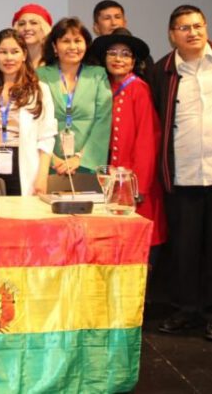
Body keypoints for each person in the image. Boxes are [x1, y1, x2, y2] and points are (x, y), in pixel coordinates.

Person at [149, 5, 212, 342]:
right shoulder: (161, 70)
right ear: (171, 34)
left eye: (197, 26)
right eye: (183, 28)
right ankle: (185, 310)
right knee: (184, 248)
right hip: (182, 174)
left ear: (206, 27)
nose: (192, 32)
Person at [89, 28, 166, 256]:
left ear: (134, 61)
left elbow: (147, 140)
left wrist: (137, 186)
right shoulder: (103, 87)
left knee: (138, 245)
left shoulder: (139, 89)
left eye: (125, 54)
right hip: (108, 181)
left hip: (131, 184)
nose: (118, 59)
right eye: (112, 53)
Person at [0, 29, 56, 196]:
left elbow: (46, 137)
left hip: (26, 164)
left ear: (24, 55)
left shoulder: (40, 90)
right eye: (3, 52)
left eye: (15, 52)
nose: (9, 58)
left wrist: (42, 176)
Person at [35, 18, 112, 178]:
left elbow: (103, 121)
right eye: (65, 41)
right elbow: (33, 122)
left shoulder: (98, 75)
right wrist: (51, 159)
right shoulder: (40, 76)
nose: (72, 47)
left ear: (86, 45)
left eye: (78, 41)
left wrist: (80, 158)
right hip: (48, 164)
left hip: (88, 165)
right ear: (55, 46)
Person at [12, 3, 53, 68]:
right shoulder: (10, 66)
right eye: (22, 24)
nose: (27, 28)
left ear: (45, 29)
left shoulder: (56, 65)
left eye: (34, 23)